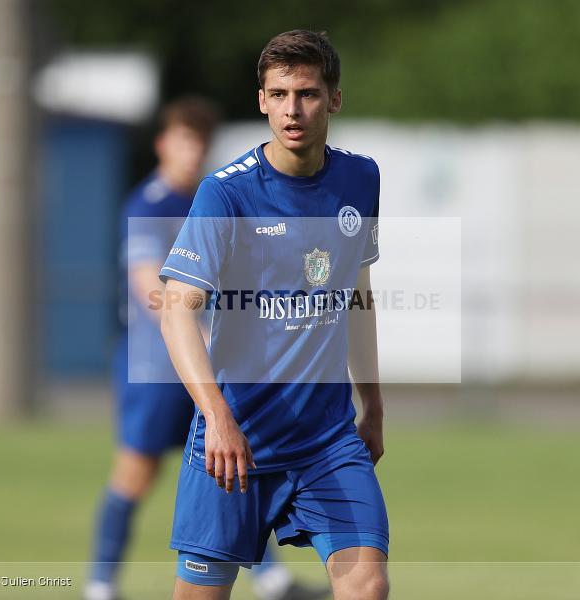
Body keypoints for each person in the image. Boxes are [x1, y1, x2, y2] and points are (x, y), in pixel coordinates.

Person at [159, 30, 389, 600]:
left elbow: (356, 294)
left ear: (334, 99)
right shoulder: (225, 195)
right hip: (235, 440)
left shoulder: (361, 179)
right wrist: (216, 417)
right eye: (280, 94)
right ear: (262, 100)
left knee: (367, 585)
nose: (293, 110)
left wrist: (374, 403)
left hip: (326, 441)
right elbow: (176, 312)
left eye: (308, 93)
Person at [85, 97, 329, 600]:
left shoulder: (218, 199)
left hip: (215, 366)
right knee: (136, 473)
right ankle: (101, 584)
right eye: (184, 140)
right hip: (155, 369)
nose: (192, 152)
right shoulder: (148, 204)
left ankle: (271, 580)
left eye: (200, 142)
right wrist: (207, 331)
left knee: (236, 463)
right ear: (162, 145)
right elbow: (151, 290)